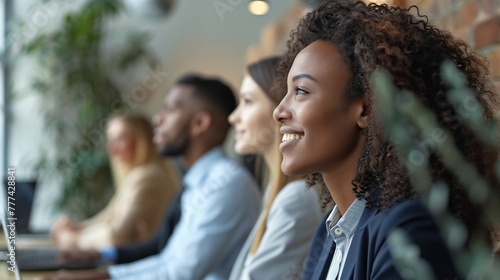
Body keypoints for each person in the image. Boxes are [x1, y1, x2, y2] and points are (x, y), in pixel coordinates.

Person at [271, 1, 500, 279]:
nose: (279, 111)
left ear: (366, 108)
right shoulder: (329, 232)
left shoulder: (408, 228)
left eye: (301, 91)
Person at [37, 74, 262, 280]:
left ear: (200, 123)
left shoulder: (226, 185)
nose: (157, 119)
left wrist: (95, 276)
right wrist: (99, 268)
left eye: (170, 110)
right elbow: (166, 262)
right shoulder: (200, 183)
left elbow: (178, 274)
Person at [228, 57, 323, 280]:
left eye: (248, 102)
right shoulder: (275, 191)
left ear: (280, 110)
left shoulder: (295, 199)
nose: (234, 117)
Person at [51, 113, 179, 250]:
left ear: (142, 140)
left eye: (120, 139)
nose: (111, 149)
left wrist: (74, 239)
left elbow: (118, 236)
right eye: (110, 141)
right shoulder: (140, 175)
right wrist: (77, 228)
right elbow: (108, 218)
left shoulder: (148, 177)